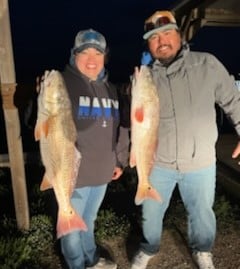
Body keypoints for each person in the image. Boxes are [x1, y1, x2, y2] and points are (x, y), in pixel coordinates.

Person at [130, 10, 240, 269]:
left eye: (167, 33)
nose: (162, 41)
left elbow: (233, 100)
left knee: (202, 213)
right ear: (148, 44)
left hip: (200, 162)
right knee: (150, 213)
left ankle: (202, 250)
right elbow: (135, 118)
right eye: (154, 37)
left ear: (179, 35)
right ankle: (149, 247)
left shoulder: (207, 64)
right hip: (159, 164)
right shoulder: (146, 76)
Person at [44, 29, 129, 269]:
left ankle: (91, 258)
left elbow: (120, 127)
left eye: (98, 53)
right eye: (85, 53)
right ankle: (76, 264)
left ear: (105, 57)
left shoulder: (112, 89)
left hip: (102, 174)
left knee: (89, 220)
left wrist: (119, 160)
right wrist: (40, 99)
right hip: (72, 177)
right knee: (69, 232)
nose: (92, 59)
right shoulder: (61, 83)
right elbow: (37, 122)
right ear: (74, 55)